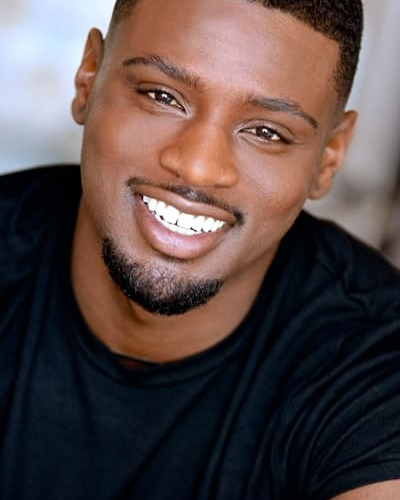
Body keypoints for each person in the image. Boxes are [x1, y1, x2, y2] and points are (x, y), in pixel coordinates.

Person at [1, 0, 399, 498]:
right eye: (162, 96)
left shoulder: (378, 361)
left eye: (266, 132)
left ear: (329, 157)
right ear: (88, 78)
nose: (198, 167)